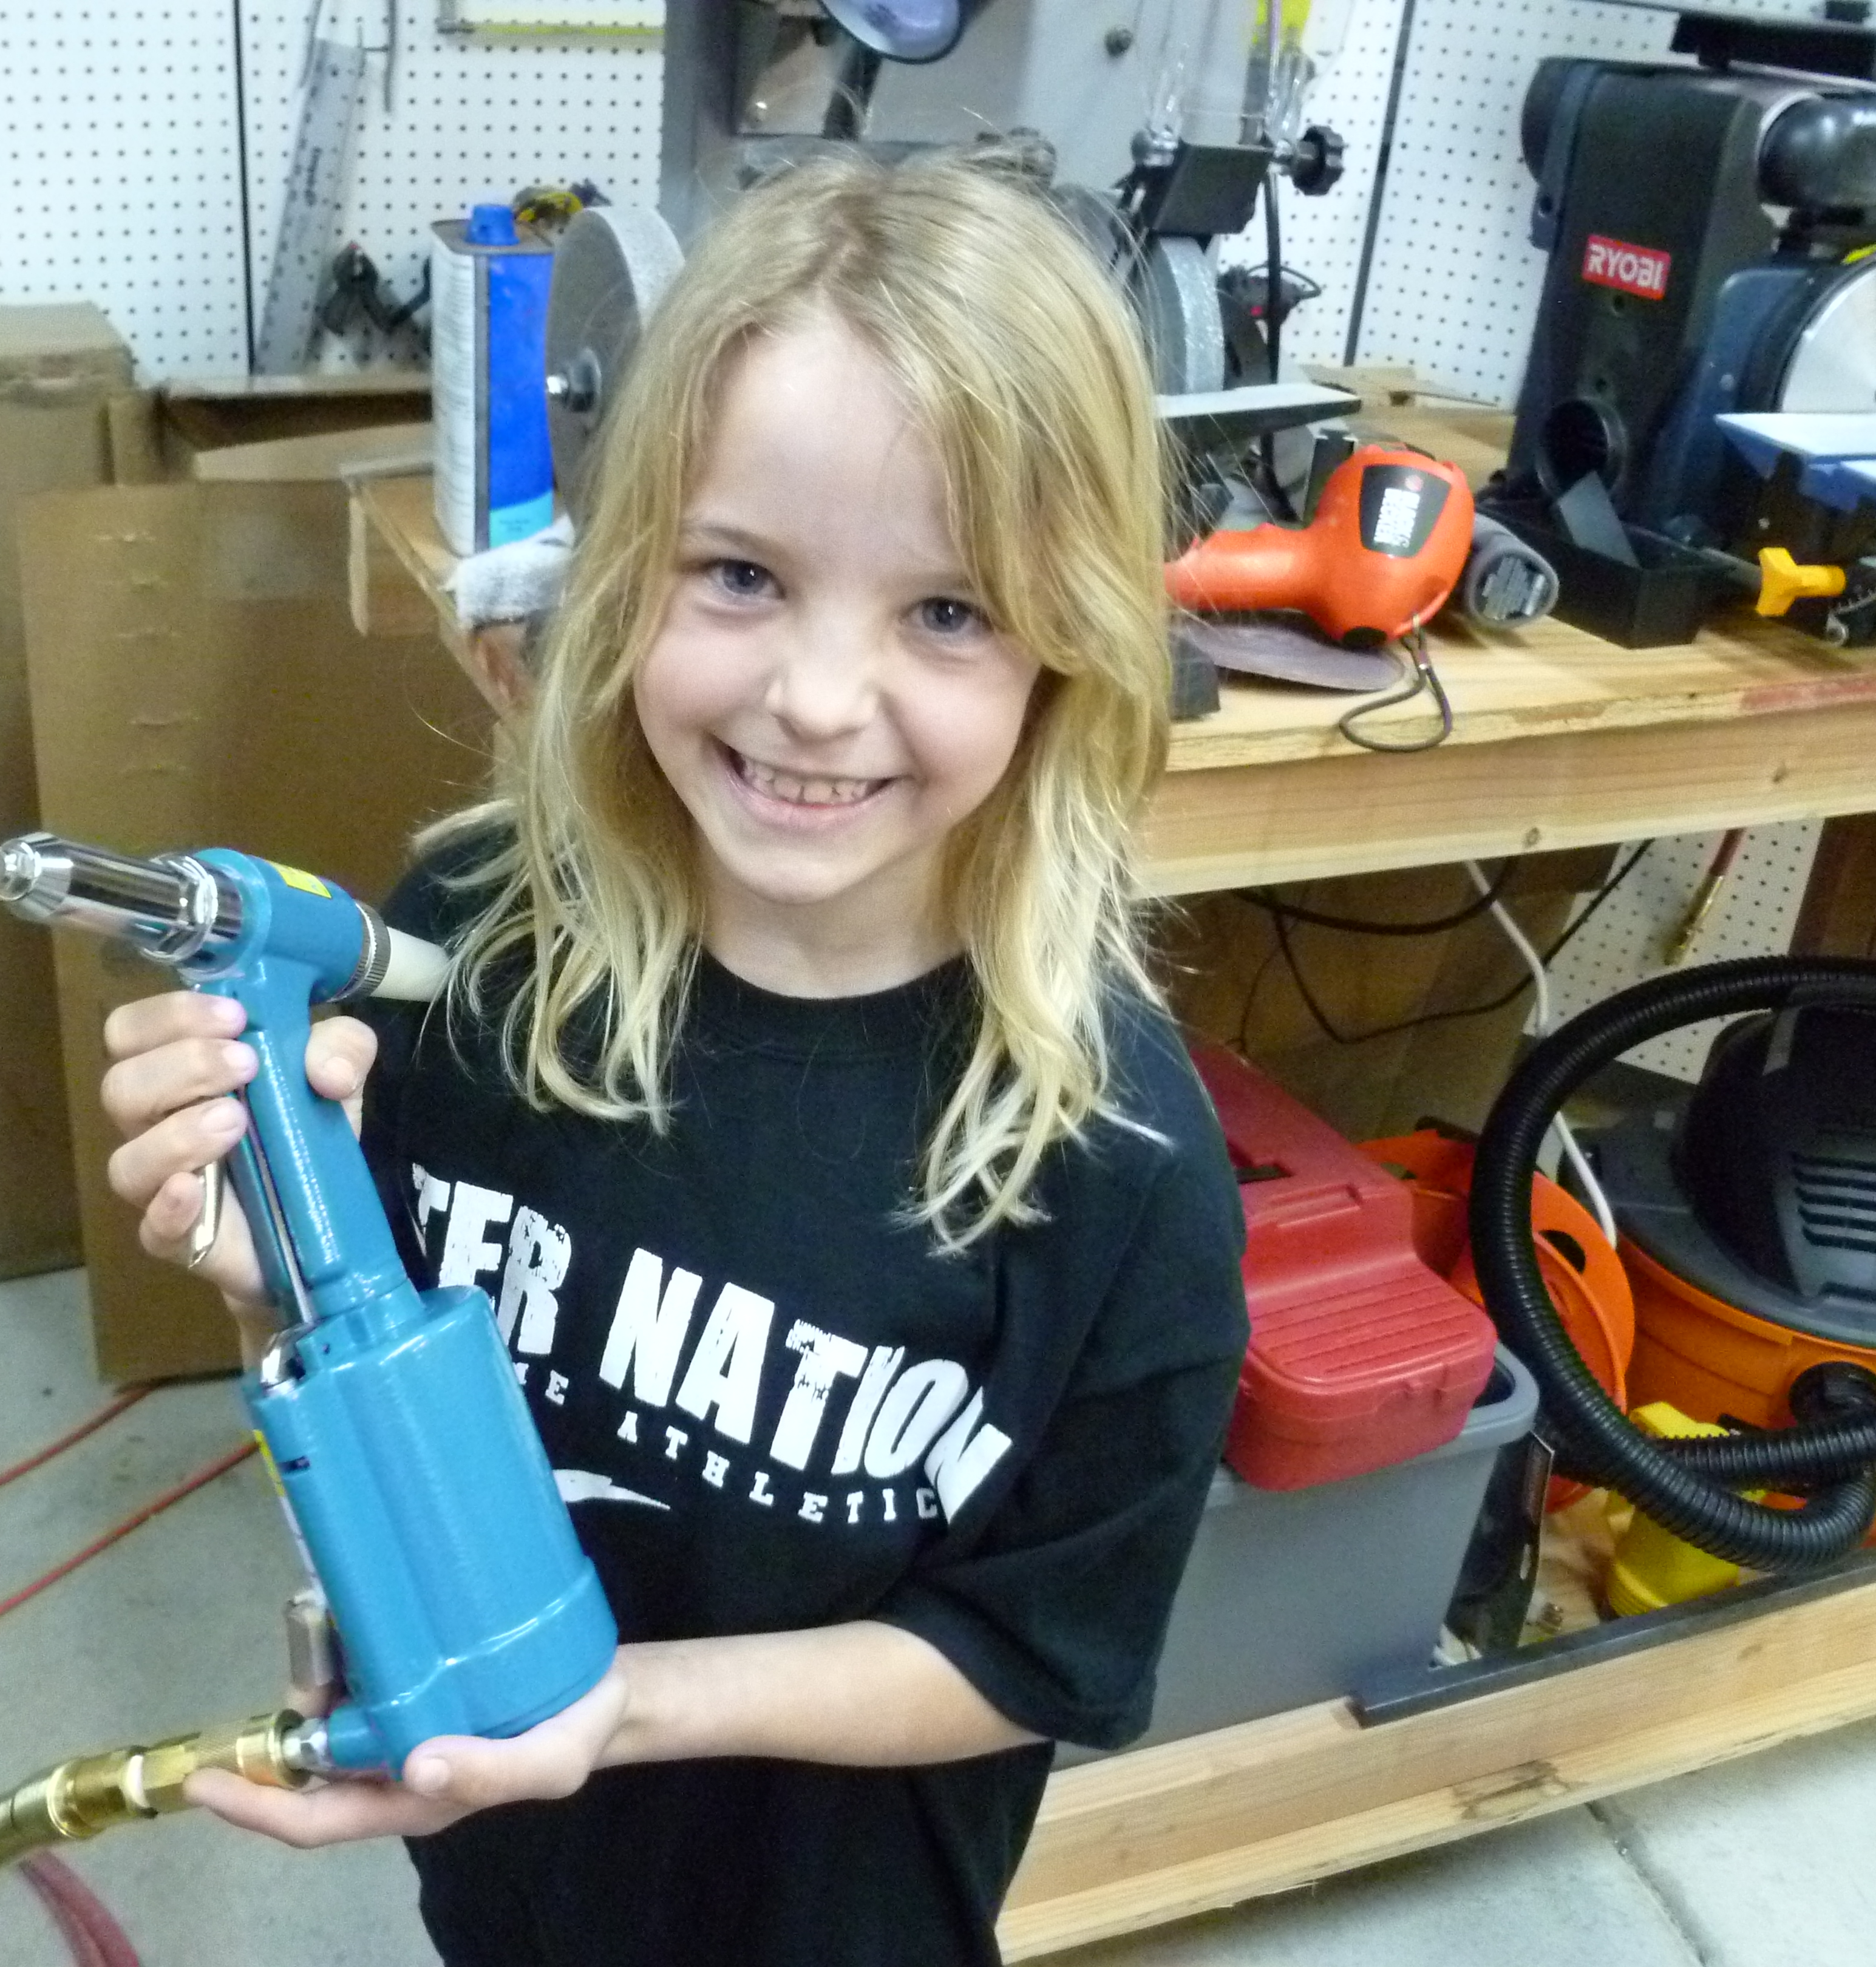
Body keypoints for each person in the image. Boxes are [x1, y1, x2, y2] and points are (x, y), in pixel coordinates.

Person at [97, 149, 1248, 1967]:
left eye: (948, 610)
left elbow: (1031, 1654)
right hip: (509, 1888)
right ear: (629, 565)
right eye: (741, 575)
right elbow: (364, 1402)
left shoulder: (1115, 1163)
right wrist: (269, 1287)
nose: (816, 698)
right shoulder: (463, 952)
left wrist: (620, 1707)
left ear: (1071, 649)